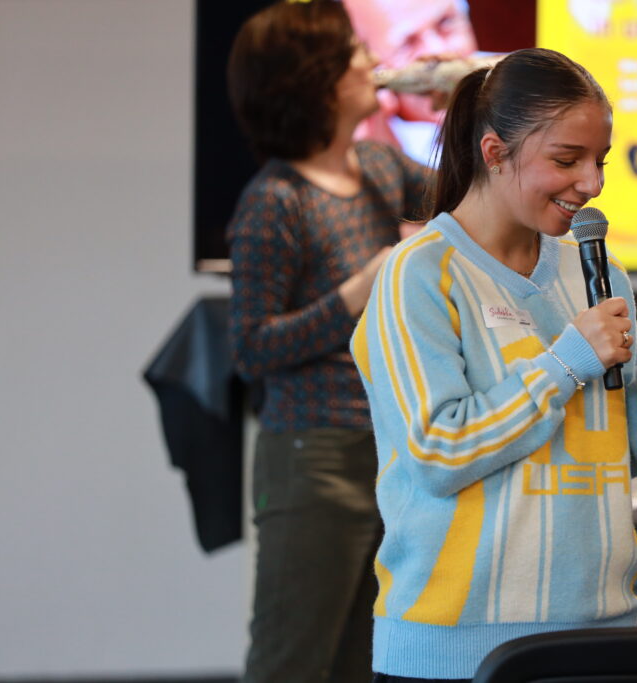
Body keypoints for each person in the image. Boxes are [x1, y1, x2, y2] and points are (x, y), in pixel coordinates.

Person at [351, 47, 637, 681]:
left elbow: (617, 455)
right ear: (494, 152)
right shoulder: (419, 274)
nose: (592, 184)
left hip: (600, 637)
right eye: (566, 160)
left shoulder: (598, 271)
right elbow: (438, 452)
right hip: (456, 651)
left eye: (600, 161)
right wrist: (565, 364)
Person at [225, 1, 430, 681]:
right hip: (312, 459)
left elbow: (471, 200)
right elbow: (251, 347)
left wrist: (463, 107)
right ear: (315, 79)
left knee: (363, 659)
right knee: (293, 659)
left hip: (388, 451)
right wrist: (352, 295)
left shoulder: (379, 165)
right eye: (352, 51)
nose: (370, 60)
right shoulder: (274, 200)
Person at [346, 0, 479, 164]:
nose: (438, 50)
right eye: (408, 44)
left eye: (446, 22)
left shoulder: (509, 73)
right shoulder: (365, 148)